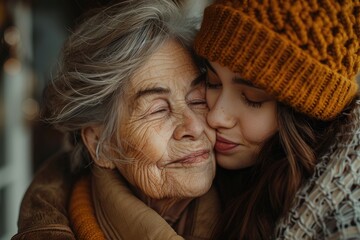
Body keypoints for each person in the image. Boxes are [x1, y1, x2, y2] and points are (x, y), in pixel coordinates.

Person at [12, 0, 220, 239]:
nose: (194, 127)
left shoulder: (257, 204)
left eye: (198, 100)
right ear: (102, 144)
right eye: (158, 110)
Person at [194, 0, 360, 239]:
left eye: (252, 98)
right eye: (212, 82)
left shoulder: (343, 220)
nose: (215, 116)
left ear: (303, 115)